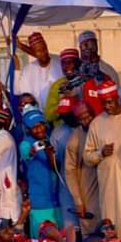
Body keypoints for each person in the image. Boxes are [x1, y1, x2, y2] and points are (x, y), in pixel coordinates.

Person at [83, 79, 121, 239]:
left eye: (110, 102)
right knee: (110, 220)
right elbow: (87, 156)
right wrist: (100, 153)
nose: (107, 106)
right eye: (103, 103)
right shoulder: (96, 123)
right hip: (108, 183)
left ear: (117, 98)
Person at [20, 108, 61, 238]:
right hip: (39, 201)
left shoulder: (50, 139)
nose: (39, 130)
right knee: (40, 240)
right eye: (34, 128)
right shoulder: (25, 144)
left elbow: (56, 167)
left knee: (59, 239)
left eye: (41, 125)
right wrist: (32, 152)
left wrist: (50, 153)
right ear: (28, 129)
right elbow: (27, 155)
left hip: (56, 200)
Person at [65, 102, 100, 233]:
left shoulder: (102, 128)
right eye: (82, 119)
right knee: (91, 230)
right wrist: (78, 201)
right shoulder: (75, 139)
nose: (87, 121)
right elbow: (70, 171)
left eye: (89, 116)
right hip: (88, 190)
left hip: (106, 184)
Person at [15, 32, 63, 110]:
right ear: (33, 52)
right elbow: (19, 91)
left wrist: (21, 46)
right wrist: (17, 69)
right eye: (38, 51)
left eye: (44, 49)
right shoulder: (28, 70)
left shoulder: (60, 62)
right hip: (38, 115)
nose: (43, 53)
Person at [50, 97, 79, 228]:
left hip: (86, 180)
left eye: (67, 114)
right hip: (66, 182)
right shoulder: (58, 132)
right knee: (70, 224)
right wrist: (50, 155)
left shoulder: (87, 126)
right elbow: (55, 166)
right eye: (62, 114)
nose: (65, 118)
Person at [44, 48, 81, 125]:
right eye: (63, 63)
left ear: (77, 63)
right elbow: (48, 115)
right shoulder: (57, 85)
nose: (66, 66)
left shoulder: (85, 81)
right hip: (63, 127)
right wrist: (63, 103)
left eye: (70, 62)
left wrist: (75, 98)